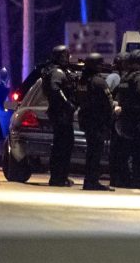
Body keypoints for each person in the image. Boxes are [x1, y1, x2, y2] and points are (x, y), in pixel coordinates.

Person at [113, 49, 140, 190]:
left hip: (124, 121)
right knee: (138, 152)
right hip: (137, 121)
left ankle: (123, 179)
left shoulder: (125, 79)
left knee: (124, 151)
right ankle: (137, 180)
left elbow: (119, 98)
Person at [75, 52, 115, 191]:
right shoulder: (98, 82)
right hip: (98, 121)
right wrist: (110, 117)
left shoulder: (82, 81)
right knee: (96, 152)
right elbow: (108, 102)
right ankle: (92, 181)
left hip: (86, 120)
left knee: (91, 151)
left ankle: (89, 180)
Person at [41, 45, 77, 187]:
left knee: (62, 145)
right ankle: (58, 177)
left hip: (61, 113)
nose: (68, 58)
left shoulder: (56, 70)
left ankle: (60, 176)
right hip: (61, 113)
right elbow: (55, 89)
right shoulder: (57, 72)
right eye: (65, 55)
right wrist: (68, 103)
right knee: (63, 146)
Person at [107, 52, 130, 187]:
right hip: (116, 118)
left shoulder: (123, 77)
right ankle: (116, 178)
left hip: (121, 118)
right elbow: (106, 95)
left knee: (120, 150)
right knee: (117, 149)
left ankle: (119, 177)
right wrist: (116, 105)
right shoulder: (115, 77)